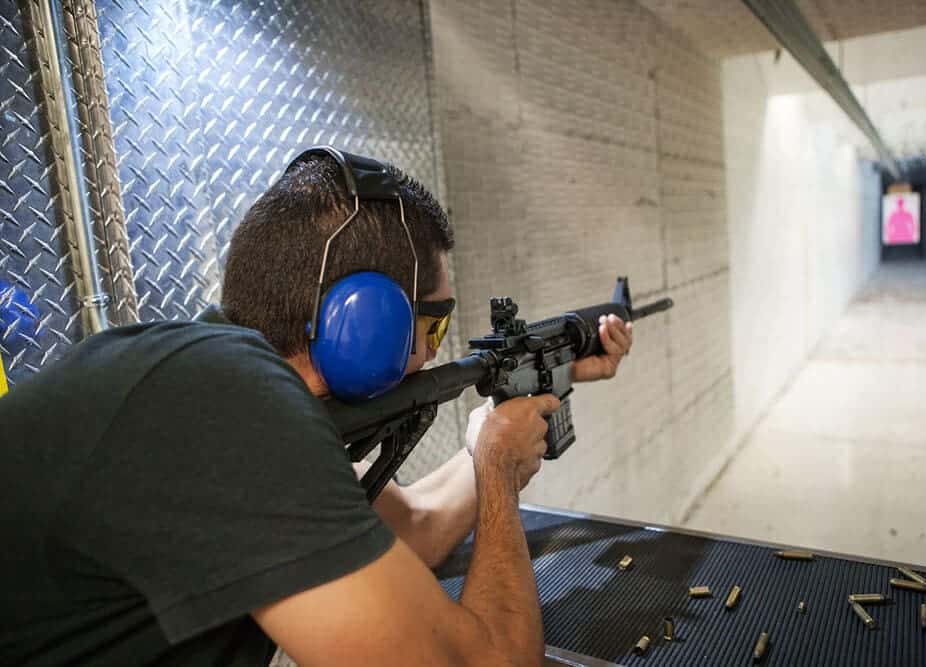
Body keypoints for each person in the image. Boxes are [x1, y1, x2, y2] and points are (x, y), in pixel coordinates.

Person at [0, 148, 632, 666]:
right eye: (434, 327)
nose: (433, 351)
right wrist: (497, 477)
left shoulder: (207, 382)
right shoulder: (227, 406)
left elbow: (411, 527)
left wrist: (526, 402)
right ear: (368, 323)